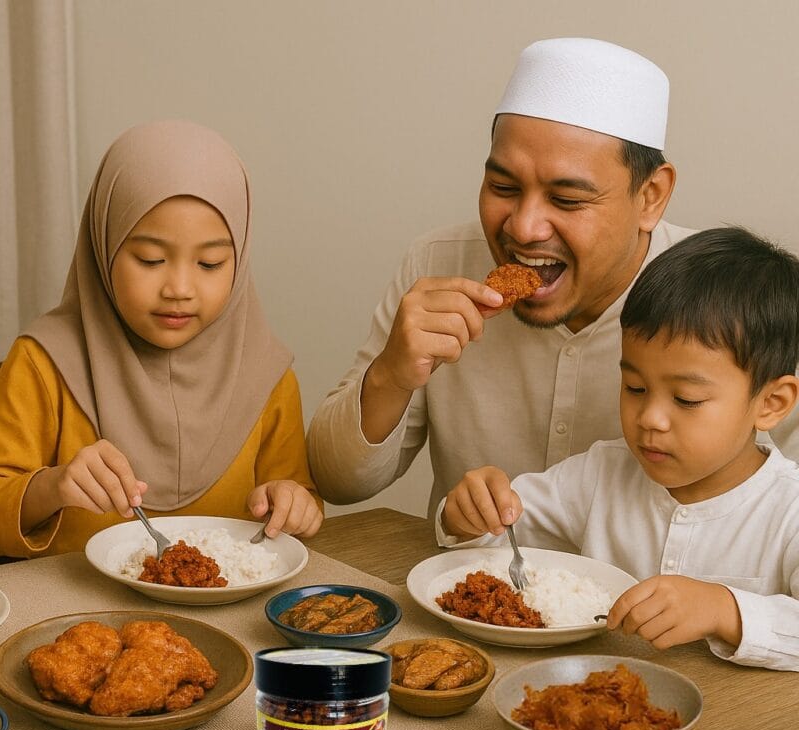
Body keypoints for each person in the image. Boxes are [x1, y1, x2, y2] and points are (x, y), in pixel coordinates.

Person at [308, 37, 724, 516]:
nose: (524, 228)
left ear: (650, 196)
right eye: (503, 187)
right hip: (465, 584)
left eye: (567, 200)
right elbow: (335, 481)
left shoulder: (723, 297)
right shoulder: (437, 264)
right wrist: (390, 375)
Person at [0, 120, 322, 558]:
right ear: (104, 244)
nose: (179, 288)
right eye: (150, 259)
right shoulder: (45, 362)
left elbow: (299, 502)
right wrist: (52, 486)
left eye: (210, 264)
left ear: (239, 262)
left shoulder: (267, 376)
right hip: (76, 617)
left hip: (234, 617)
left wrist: (295, 504)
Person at [439, 227, 799, 670]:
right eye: (634, 387)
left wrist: (725, 611)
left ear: (771, 403)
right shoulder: (601, 474)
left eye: (686, 399)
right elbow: (496, 534)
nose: (650, 418)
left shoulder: (789, 508)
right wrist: (469, 514)